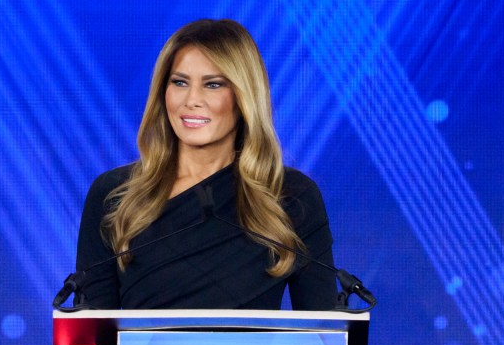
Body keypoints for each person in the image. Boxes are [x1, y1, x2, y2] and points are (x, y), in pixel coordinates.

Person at [74, 18, 337, 310]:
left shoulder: (290, 196)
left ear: (243, 96)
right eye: (180, 82)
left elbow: (324, 336)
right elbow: (91, 338)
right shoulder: (115, 195)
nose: (192, 100)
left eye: (213, 84)